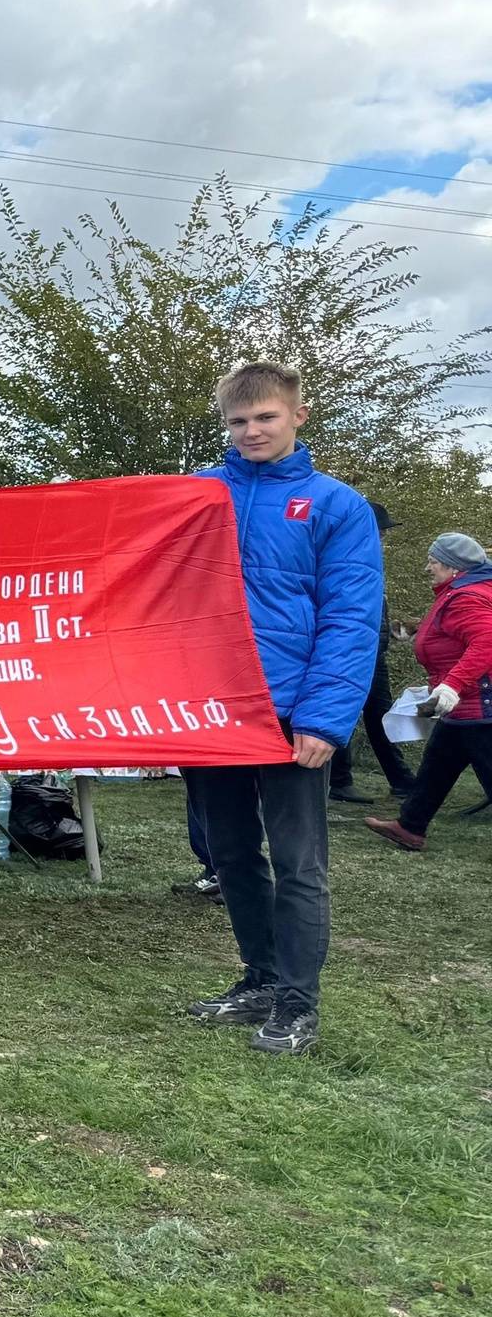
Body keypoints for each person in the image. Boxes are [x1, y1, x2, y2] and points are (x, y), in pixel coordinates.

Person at [181, 361, 383, 1056]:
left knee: (299, 863)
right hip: (212, 710)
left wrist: (325, 718)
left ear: (298, 415)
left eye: (265, 417)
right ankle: (261, 980)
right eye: (237, 421)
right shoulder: (197, 494)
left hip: (291, 712)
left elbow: (350, 618)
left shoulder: (337, 506)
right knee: (232, 853)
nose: (251, 431)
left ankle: (298, 1004)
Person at [363, 533, 492, 853]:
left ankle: (411, 825)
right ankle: (410, 826)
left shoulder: (465, 597)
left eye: (433, 562)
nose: (428, 567)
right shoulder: (462, 592)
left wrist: (452, 685)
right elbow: (455, 630)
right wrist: (417, 630)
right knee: (437, 766)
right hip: (463, 708)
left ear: (454, 567)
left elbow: (486, 642)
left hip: (479, 709)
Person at [329, 493, 415, 803]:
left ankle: (401, 779)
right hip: (353, 652)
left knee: (381, 714)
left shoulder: (366, 558)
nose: (382, 538)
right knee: (345, 713)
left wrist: (390, 630)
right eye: (380, 531)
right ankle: (339, 780)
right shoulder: (345, 557)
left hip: (373, 652)